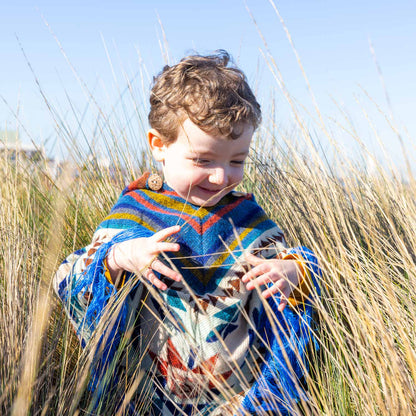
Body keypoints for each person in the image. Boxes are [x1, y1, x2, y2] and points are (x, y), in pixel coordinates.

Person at [54, 50, 320, 415]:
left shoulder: (247, 218)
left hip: (240, 403)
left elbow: (287, 279)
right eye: (203, 160)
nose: (221, 176)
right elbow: (72, 279)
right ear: (159, 145)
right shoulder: (137, 214)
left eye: (237, 161)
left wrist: (296, 270)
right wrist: (121, 258)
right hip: (144, 399)